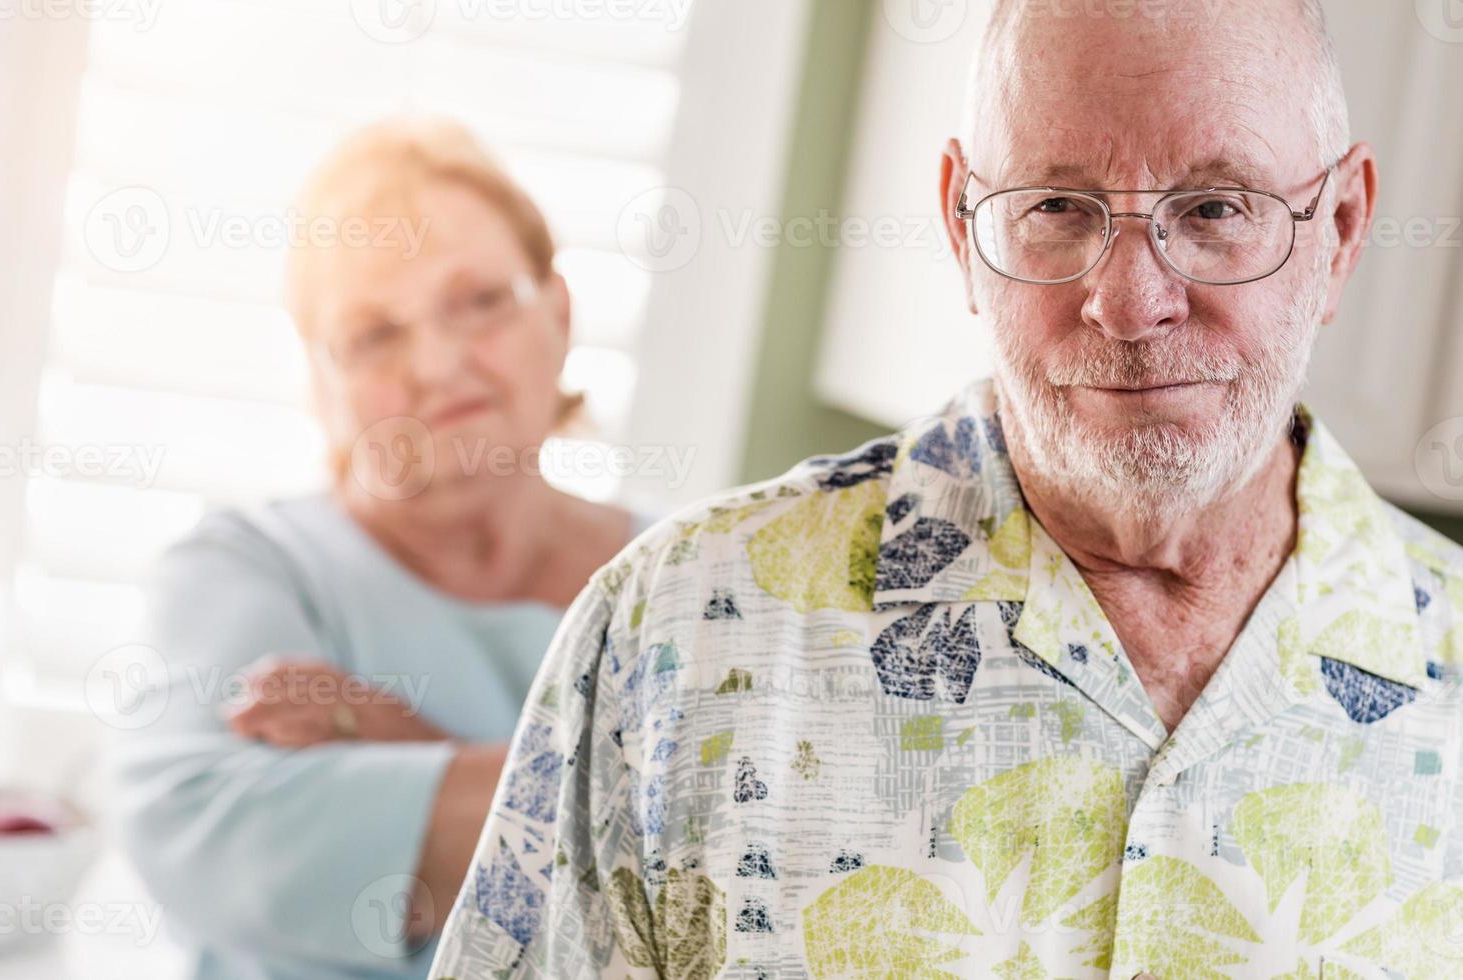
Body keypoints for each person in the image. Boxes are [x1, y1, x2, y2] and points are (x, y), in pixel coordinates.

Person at [426, 2, 1463, 977]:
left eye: (1215, 209)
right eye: (1058, 206)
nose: (1130, 300)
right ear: (963, 226)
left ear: (1340, 229)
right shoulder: (674, 628)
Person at [109, 118, 655, 979]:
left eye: (479, 301)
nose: (437, 364)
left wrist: (404, 747)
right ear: (321, 384)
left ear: (558, 312)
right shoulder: (247, 569)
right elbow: (206, 840)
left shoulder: (686, 578)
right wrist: (629, 803)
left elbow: (752, 879)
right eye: (373, 334)